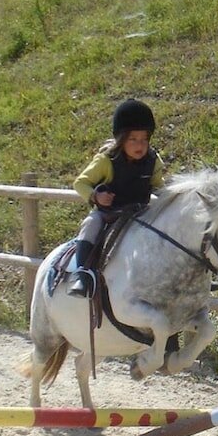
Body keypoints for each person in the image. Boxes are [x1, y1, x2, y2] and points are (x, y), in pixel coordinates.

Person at [67, 98, 167, 297]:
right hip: (108, 215)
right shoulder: (106, 160)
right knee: (89, 224)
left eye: (144, 139)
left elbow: (160, 186)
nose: (140, 145)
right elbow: (80, 183)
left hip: (140, 214)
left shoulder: (153, 161)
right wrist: (96, 196)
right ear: (122, 139)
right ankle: (82, 275)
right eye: (133, 139)